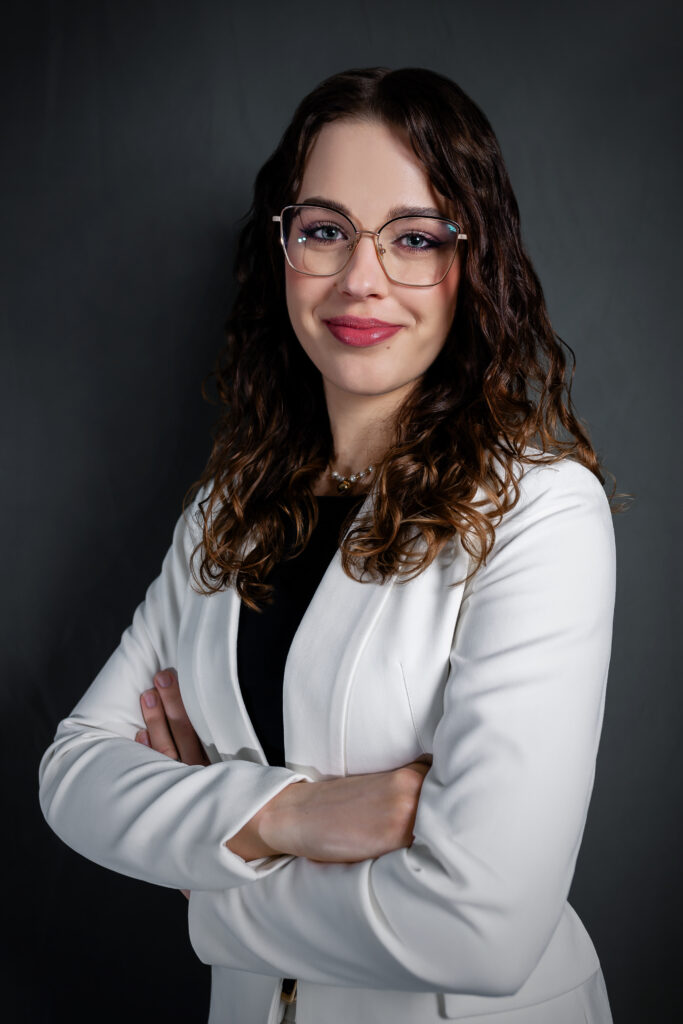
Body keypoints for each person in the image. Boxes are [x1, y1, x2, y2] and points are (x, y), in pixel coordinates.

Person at [38, 67, 619, 1024]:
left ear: (473, 263)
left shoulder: (539, 512)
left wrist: (208, 883)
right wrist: (287, 814)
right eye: (324, 230)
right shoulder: (227, 510)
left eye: (414, 237)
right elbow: (74, 774)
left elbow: (482, 929)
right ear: (284, 250)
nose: (361, 277)